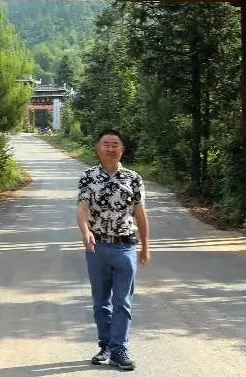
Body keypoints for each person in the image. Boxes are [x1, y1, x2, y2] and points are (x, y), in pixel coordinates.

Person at [76, 129, 150, 371]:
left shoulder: (133, 178)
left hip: (125, 246)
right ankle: (105, 346)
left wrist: (146, 247)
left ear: (122, 149)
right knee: (101, 303)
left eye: (115, 144)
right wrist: (85, 231)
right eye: (106, 144)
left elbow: (140, 213)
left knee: (122, 302)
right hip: (97, 247)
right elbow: (82, 207)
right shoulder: (88, 177)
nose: (110, 148)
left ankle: (119, 350)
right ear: (98, 149)